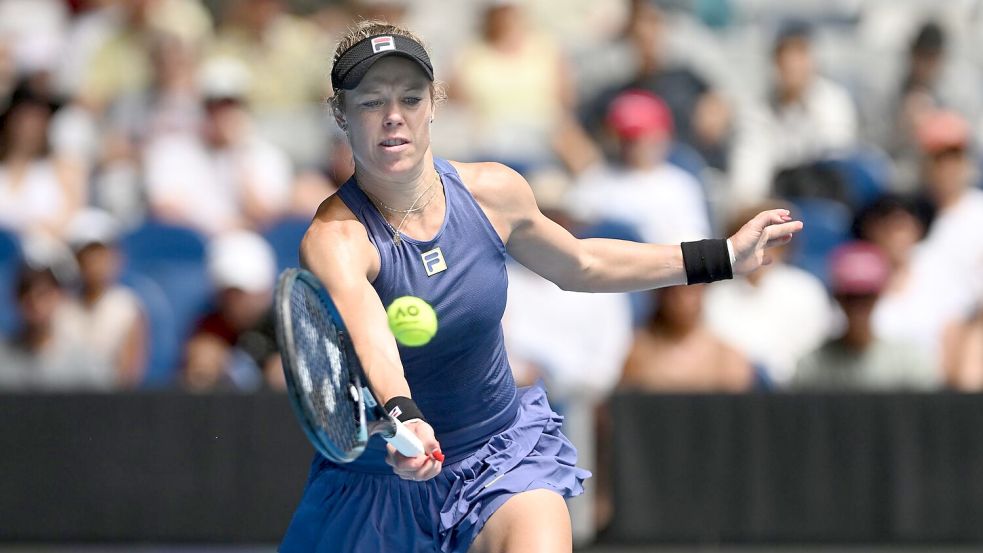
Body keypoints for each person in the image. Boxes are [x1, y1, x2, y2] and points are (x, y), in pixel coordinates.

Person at [280, 20, 801, 553]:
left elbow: (582, 263)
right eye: (370, 102)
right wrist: (403, 414)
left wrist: (723, 256)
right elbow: (372, 337)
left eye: (410, 98)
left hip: (498, 456)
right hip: (379, 487)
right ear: (341, 114)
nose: (394, 117)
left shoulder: (494, 193)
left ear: (434, 105)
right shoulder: (334, 238)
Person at [791, 241, 939, 391]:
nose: (859, 306)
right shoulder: (811, 365)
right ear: (838, 297)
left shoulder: (909, 360)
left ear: (879, 295)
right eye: (851, 297)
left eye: (866, 296)